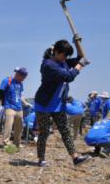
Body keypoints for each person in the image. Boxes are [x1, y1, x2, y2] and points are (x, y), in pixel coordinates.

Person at [34, 39, 91, 167]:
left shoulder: (63, 62)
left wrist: (77, 43)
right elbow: (69, 77)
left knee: (65, 130)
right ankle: (41, 159)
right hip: (44, 105)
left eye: (67, 56)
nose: (66, 58)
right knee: (44, 132)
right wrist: (80, 65)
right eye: (64, 55)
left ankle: (75, 158)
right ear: (57, 52)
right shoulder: (48, 65)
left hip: (58, 105)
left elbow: (81, 57)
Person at [0, 67, 30, 147]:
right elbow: (1, 93)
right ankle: (6, 143)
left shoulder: (20, 83)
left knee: (20, 127)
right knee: (8, 125)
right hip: (9, 107)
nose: (23, 80)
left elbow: (20, 95)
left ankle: (17, 143)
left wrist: (25, 103)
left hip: (19, 108)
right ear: (18, 75)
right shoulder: (7, 80)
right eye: (23, 77)